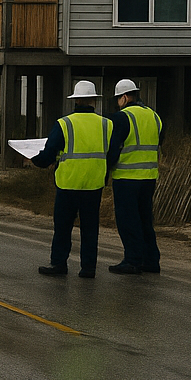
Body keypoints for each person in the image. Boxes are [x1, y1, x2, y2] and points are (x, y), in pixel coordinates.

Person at [31, 80, 112, 278]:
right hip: (94, 183)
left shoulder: (64, 124)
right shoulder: (107, 124)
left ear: (76, 101)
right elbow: (111, 153)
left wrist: (36, 160)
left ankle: (59, 264)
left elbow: (50, 152)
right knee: (90, 228)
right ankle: (88, 268)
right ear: (94, 100)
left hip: (68, 183)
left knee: (63, 227)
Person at [105, 78, 164, 275]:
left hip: (127, 178)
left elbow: (113, 149)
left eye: (117, 99)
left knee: (128, 221)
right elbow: (160, 141)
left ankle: (132, 260)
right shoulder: (154, 116)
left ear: (123, 97)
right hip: (149, 177)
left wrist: (106, 170)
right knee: (145, 219)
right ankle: (151, 261)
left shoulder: (122, 118)